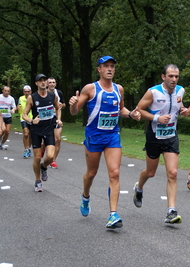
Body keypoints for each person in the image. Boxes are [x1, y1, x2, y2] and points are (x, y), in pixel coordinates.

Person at [69, 55, 140, 229]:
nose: (109, 69)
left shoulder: (119, 89)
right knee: (91, 173)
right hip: (94, 136)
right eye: (106, 66)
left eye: (112, 66)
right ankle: (85, 196)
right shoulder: (91, 89)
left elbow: (121, 108)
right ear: (99, 69)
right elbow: (74, 111)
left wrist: (130, 114)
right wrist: (72, 104)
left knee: (114, 173)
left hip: (112, 136)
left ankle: (113, 214)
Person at [132, 64, 189, 224]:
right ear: (163, 77)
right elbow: (138, 110)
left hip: (171, 136)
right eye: (170, 76)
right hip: (154, 137)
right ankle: (139, 188)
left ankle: (171, 211)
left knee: (173, 173)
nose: (174, 79)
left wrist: (183, 110)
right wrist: (156, 118)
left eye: (176, 76)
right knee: (150, 173)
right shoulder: (153, 92)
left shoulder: (181, 91)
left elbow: (178, 106)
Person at [23, 74, 62, 192]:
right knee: (37, 157)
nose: (43, 82)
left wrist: (59, 119)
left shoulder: (52, 96)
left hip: (49, 129)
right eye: (40, 81)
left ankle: (44, 167)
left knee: (50, 156)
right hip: (36, 130)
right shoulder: (32, 97)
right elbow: (24, 114)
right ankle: (38, 180)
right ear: (36, 83)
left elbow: (58, 108)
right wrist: (31, 120)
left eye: (45, 80)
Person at [47, 77, 65, 168]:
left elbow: (64, 104)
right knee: (46, 140)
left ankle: (53, 160)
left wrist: (61, 105)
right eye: (50, 82)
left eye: (53, 82)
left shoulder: (59, 93)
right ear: (47, 84)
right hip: (46, 119)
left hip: (56, 118)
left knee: (57, 139)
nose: (52, 84)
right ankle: (43, 149)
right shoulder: (43, 94)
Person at [0, 86, 16, 150]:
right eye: (5, 91)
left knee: (7, 132)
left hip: (8, 116)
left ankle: (2, 143)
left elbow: (14, 107)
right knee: (3, 129)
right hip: (1, 116)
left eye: (8, 91)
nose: (6, 92)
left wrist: (13, 110)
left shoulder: (11, 98)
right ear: (2, 90)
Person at [18, 85, 32, 158]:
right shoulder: (21, 98)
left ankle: (29, 148)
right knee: (26, 134)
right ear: (23, 92)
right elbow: (19, 106)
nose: (27, 93)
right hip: (23, 118)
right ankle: (26, 149)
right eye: (25, 91)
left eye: (28, 91)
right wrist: (18, 108)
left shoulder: (33, 98)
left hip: (32, 118)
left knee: (31, 135)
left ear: (31, 92)